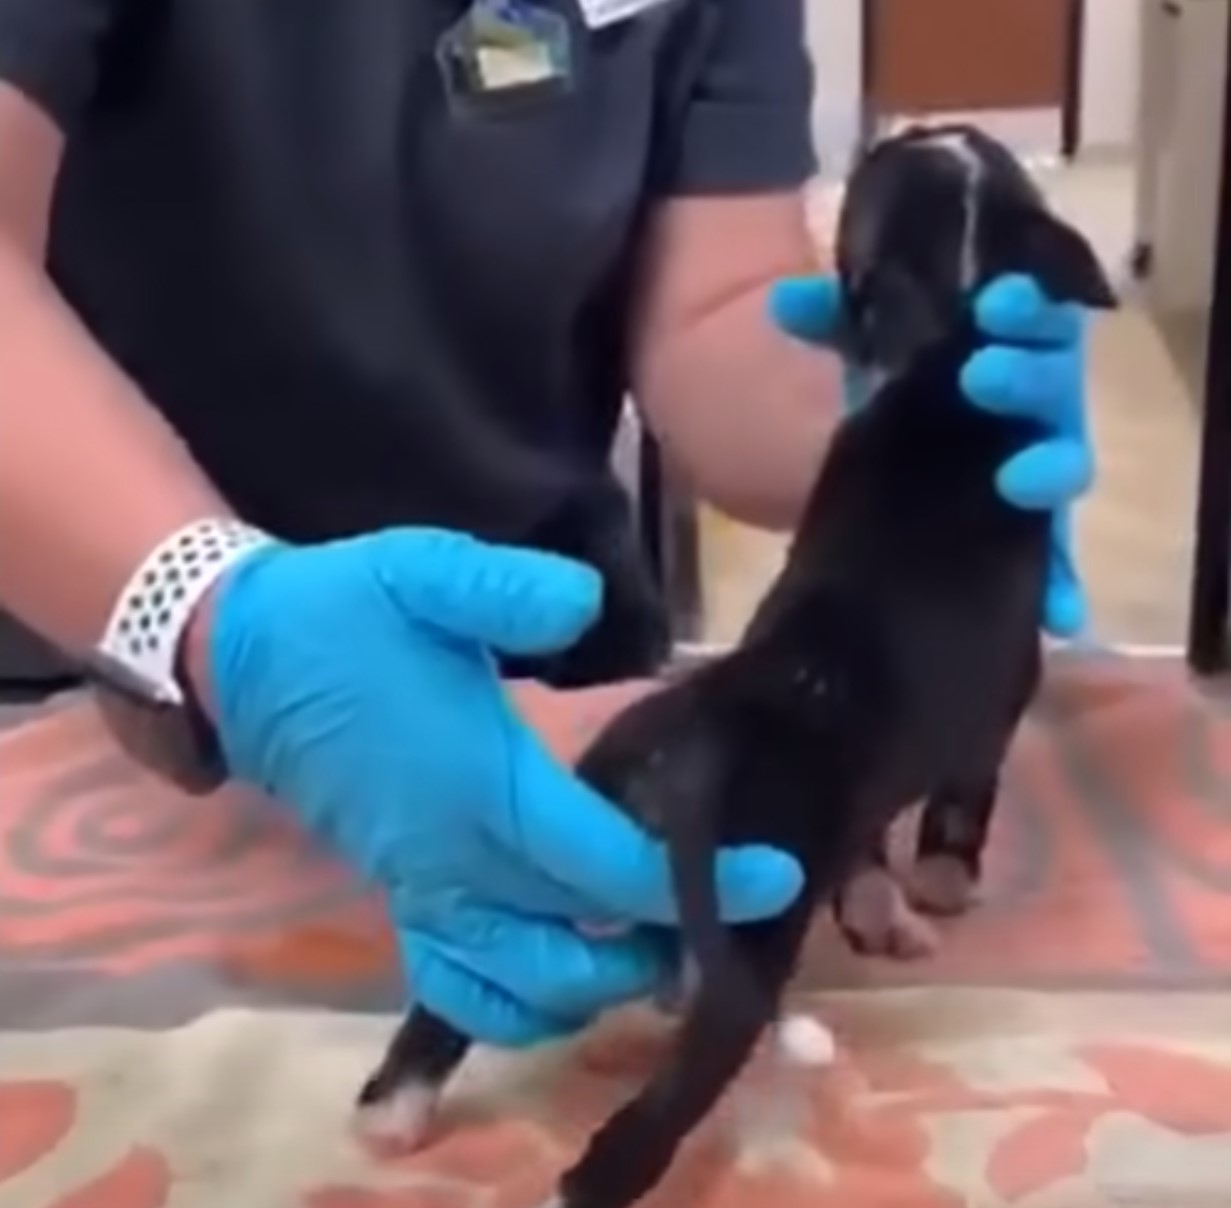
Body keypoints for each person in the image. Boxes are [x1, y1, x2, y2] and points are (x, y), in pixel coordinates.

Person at [0, 0, 1093, 1048]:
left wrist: (914, 395)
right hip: (98, 683)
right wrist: (209, 610)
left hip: (548, 705)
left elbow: (715, 316)